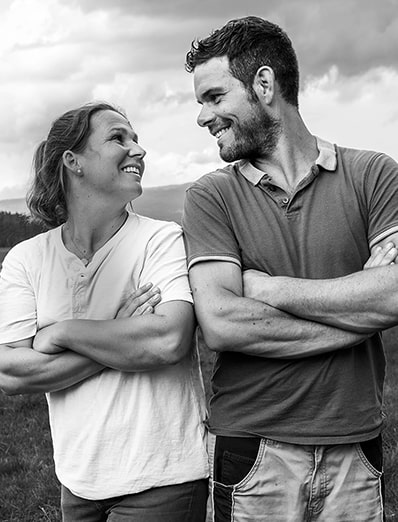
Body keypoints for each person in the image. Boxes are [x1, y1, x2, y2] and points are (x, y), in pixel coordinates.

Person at [182, 16, 398, 521]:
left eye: (214, 98)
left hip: (355, 448)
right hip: (253, 452)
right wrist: (362, 312)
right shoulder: (211, 197)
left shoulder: (374, 175)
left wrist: (270, 289)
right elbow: (222, 324)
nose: (203, 117)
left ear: (263, 84)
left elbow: (394, 297)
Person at [0, 102, 209, 521]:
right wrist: (117, 330)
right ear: (73, 162)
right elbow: (11, 371)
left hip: (162, 479)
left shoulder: (161, 239)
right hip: (77, 484)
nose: (139, 150)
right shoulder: (27, 259)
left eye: (135, 138)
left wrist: (63, 334)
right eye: (119, 138)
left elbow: (167, 340)